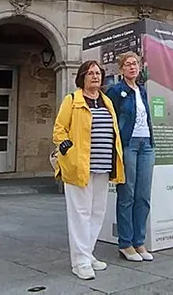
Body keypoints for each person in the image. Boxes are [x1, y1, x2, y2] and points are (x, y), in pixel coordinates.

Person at [53, 60, 125, 281]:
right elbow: (59, 128)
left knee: (97, 213)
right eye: (90, 73)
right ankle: (80, 262)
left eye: (98, 73)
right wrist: (64, 144)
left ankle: (87, 252)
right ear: (82, 77)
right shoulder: (72, 100)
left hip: (103, 166)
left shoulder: (106, 101)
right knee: (80, 214)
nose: (95, 76)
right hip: (79, 165)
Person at [106, 52, 155, 263]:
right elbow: (111, 119)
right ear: (121, 69)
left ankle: (139, 241)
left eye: (135, 64)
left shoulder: (142, 90)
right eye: (127, 65)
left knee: (143, 196)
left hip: (146, 145)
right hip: (128, 145)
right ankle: (125, 243)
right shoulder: (116, 91)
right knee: (127, 194)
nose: (132, 67)